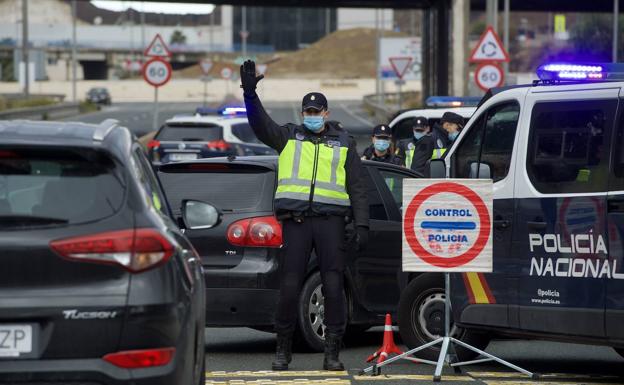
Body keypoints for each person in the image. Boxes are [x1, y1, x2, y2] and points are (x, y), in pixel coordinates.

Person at [239, 60, 369, 372]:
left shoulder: (344, 143)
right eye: (307, 112)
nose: (311, 116)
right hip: (296, 224)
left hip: (331, 224)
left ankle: (332, 352)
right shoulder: (287, 137)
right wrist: (249, 93)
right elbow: (260, 125)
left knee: (334, 287)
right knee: (289, 286)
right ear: (303, 114)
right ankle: (283, 350)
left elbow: (358, 186)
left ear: (326, 113)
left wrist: (361, 224)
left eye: (316, 111)